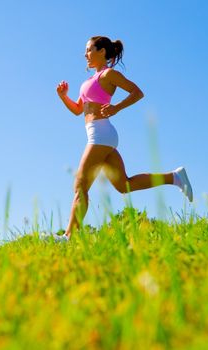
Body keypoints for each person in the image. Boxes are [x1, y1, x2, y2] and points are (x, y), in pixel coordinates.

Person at [55, 36, 192, 241]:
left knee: (80, 187)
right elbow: (77, 110)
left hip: (100, 135)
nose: (85, 54)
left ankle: (68, 237)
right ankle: (175, 177)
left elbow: (137, 92)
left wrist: (116, 107)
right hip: (102, 135)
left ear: (102, 51)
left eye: (89, 49)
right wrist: (64, 96)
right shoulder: (87, 82)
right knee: (124, 186)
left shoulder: (109, 74)